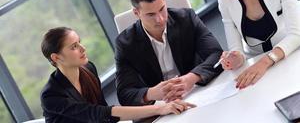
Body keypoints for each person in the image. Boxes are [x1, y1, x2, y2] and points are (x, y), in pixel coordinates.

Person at [40, 27, 195, 123]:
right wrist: (160, 109)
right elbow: (100, 114)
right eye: (74, 46)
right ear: (56, 57)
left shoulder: (88, 69)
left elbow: (103, 111)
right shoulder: (51, 95)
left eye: (79, 42)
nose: (83, 48)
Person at [115, 0, 223, 106]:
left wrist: (191, 78)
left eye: (162, 9)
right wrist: (152, 93)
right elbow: (124, 94)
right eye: (151, 14)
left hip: (196, 92)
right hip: (160, 106)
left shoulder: (186, 18)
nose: (160, 19)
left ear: (165, 2)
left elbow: (216, 54)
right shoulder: (125, 43)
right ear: (136, 13)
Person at [218, 0, 300, 89]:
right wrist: (234, 58)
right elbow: (237, 49)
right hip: (258, 64)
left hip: (291, 54)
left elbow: (296, 34)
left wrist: (265, 62)